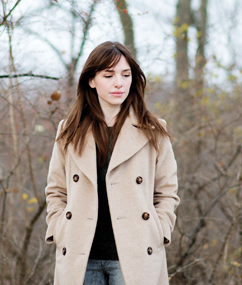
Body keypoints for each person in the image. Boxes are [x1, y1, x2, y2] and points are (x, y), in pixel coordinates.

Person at [45, 41, 180, 285]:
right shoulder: (69, 130)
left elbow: (167, 192)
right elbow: (56, 190)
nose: (119, 82)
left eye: (126, 75)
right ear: (91, 80)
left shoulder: (154, 130)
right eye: (109, 75)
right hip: (80, 256)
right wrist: (59, 229)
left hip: (137, 254)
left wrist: (159, 231)